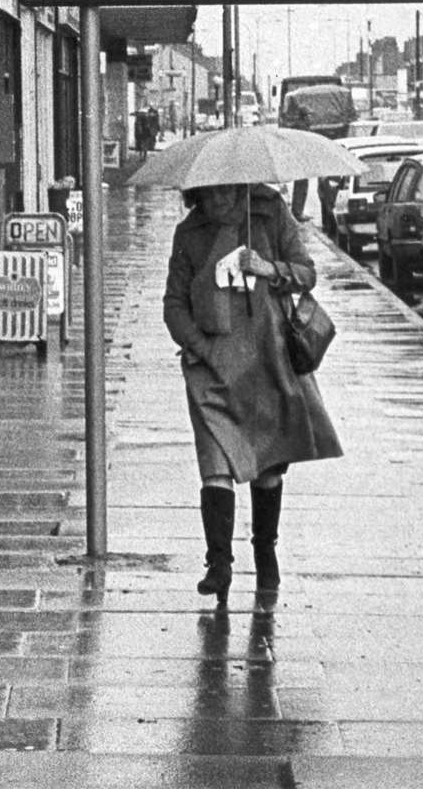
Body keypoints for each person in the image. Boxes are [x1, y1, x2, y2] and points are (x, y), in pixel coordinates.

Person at [162, 182, 342, 604]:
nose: (220, 202)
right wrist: (202, 348)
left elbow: (307, 273)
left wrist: (269, 268)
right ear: (197, 195)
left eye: (227, 194)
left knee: (266, 468)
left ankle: (265, 552)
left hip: (267, 359)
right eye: (210, 196)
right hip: (212, 367)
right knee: (215, 464)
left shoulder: (270, 212)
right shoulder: (189, 234)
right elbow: (173, 304)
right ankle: (219, 565)